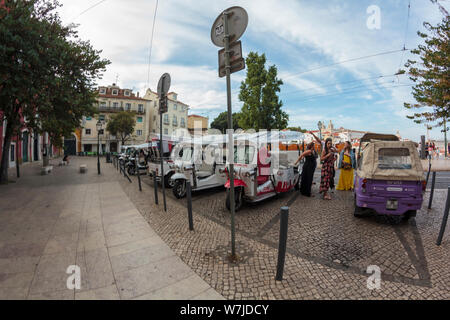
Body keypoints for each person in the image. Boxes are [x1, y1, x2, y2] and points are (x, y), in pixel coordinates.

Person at [294, 132, 320, 197]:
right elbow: (301, 155)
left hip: (311, 166)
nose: (314, 146)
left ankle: (305, 191)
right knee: (308, 179)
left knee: (308, 178)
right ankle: (308, 193)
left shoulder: (313, 151)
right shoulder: (309, 151)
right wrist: (296, 162)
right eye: (313, 145)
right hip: (308, 166)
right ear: (311, 146)